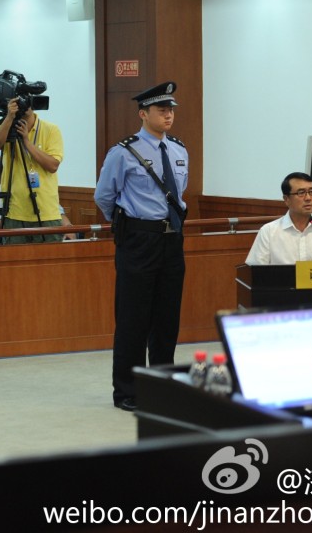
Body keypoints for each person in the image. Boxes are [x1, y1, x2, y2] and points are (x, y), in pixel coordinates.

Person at [94, 82, 189, 413]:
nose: (168, 114)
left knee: (166, 319)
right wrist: (132, 226)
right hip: (139, 240)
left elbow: (179, 194)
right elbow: (104, 197)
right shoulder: (123, 152)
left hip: (172, 240)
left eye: (171, 109)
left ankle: (162, 385)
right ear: (143, 113)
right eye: (161, 109)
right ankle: (128, 391)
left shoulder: (178, 150)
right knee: (133, 319)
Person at [0, 97, 64, 243]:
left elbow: (53, 165)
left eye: (26, 101)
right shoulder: (7, 126)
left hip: (46, 213)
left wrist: (27, 142)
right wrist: (9, 117)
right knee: (15, 264)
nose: (24, 105)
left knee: (49, 264)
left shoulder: (51, 129)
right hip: (14, 213)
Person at [246, 172, 312, 265]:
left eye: (311, 192)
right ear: (286, 199)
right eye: (301, 193)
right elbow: (254, 273)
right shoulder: (268, 232)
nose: (308, 198)